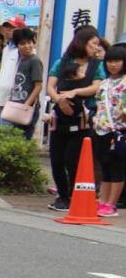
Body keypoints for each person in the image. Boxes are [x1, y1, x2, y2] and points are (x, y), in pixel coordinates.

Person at [46, 28, 105, 212]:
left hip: (81, 120)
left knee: (72, 159)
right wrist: (59, 100)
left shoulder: (97, 65)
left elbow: (96, 87)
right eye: (93, 43)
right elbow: (50, 87)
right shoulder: (61, 62)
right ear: (82, 42)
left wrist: (75, 92)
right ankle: (62, 196)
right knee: (56, 159)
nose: (96, 47)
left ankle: (72, 195)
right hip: (59, 118)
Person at [91, 45, 126, 217]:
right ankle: (103, 201)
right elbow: (98, 104)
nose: (113, 65)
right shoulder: (104, 83)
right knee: (105, 166)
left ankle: (112, 204)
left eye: (117, 61)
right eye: (110, 61)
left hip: (119, 131)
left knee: (117, 168)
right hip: (101, 130)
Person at [0, 27, 44, 138]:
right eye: (22, 43)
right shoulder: (19, 60)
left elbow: (38, 86)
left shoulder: (34, 61)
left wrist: (27, 104)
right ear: (17, 45)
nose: (27, 46)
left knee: (23, 140)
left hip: (27, 108)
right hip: (15, 106)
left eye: (29, 42)